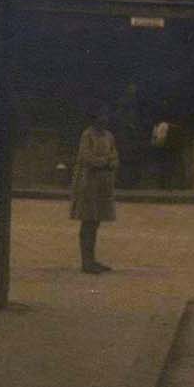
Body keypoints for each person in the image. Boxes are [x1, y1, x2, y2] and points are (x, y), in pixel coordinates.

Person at [70, 110, 119, 274]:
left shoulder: (109, 136)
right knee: (88, 222)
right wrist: (104, 162)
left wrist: (110, 162)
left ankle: (92, 259)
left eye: (106, 116)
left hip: (103, 185)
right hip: (88, 184)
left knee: (96, 222)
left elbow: (114, 155)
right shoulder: (87, 135)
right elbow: (86, 157)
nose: (104, 118)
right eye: (101, 116)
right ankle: (86, 261)